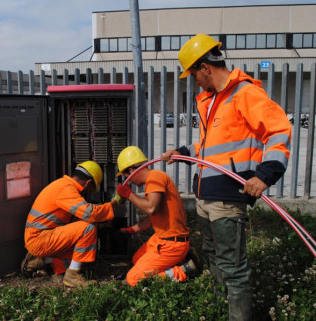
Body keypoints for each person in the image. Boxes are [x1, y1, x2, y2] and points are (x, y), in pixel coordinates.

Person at [161, 34, 292, 320]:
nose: (194, 81)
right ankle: (223, 307)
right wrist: (182, 151)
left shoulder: (243, 94)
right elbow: (209, 148)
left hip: (227, 196)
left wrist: (265, 175)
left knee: (232, 265)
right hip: (206, 195)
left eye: (194, 74)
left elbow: (279, 131)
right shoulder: (213, 101)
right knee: (213, 254)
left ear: (206, 68)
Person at [21, 160, 120, 288]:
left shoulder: (63, 185)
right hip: (39, 239)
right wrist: (114, 204)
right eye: (91, 189)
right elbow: (90, 214)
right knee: (88, 228)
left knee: (81, 257)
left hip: (42, 237)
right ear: (88, 183)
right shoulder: (66, 189)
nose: (89, 193)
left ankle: (40, 261)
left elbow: (76, 219)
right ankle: (72, 276)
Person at [115, 146, 196, 286]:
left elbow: (151, 208)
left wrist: (128, 194)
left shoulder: (155, 177)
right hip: (161, 240)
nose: (128, 180)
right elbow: (152, 218)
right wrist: (131, 230)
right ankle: (182, 259)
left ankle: (182, 271)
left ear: (131, 170)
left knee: (132, 278)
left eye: (126, 175)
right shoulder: (152, 181)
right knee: (136, 259)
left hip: (172, 244)